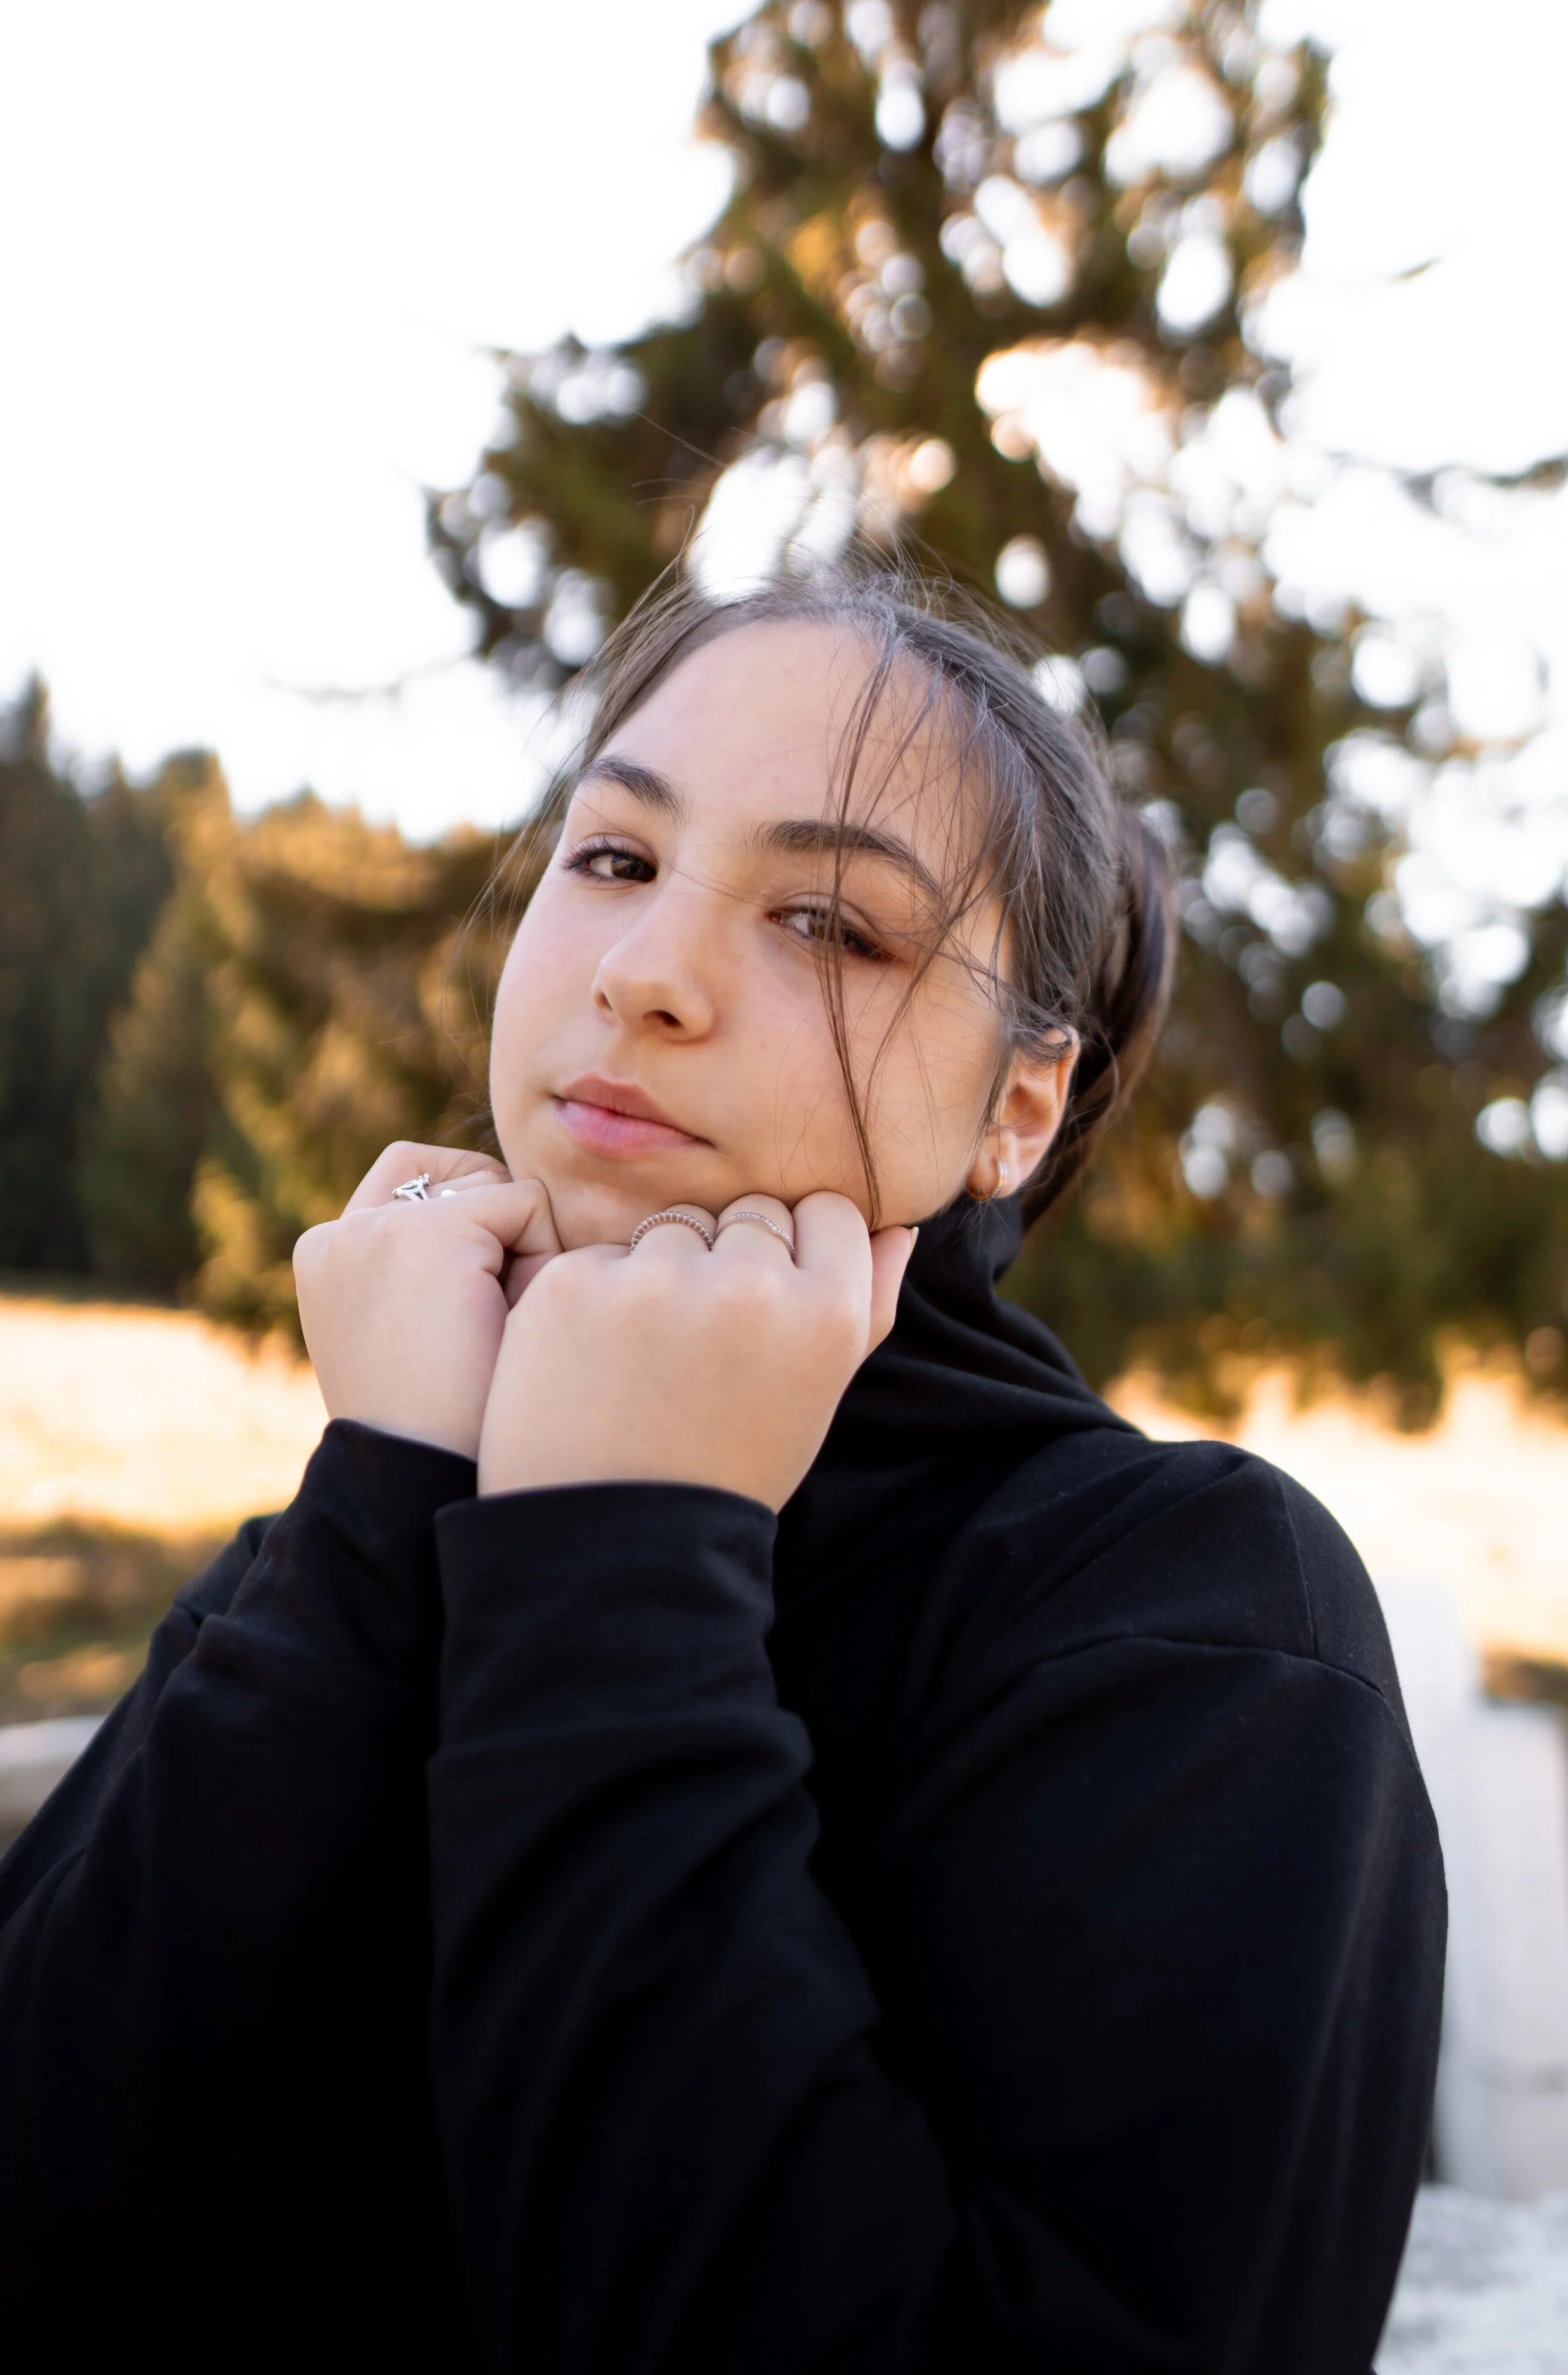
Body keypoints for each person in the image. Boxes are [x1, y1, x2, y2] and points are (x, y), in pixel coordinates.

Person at [0, 571, 1444, 2374]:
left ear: (1019, 1103)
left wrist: (617, 1568)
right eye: (612, 857)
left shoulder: (1192, 1623)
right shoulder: (360, 1528)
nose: (646, 972)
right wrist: (379, 1506)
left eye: (830, 921)